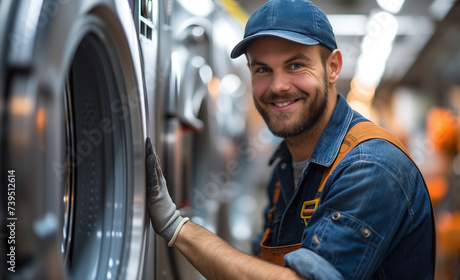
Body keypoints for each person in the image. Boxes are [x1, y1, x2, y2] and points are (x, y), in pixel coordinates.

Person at [146, 0, 435, 279]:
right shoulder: (286, 163)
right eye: (262, 69)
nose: (278, 86)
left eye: (296, 65)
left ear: (333, 67)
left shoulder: (371, 168)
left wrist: (178, 228)